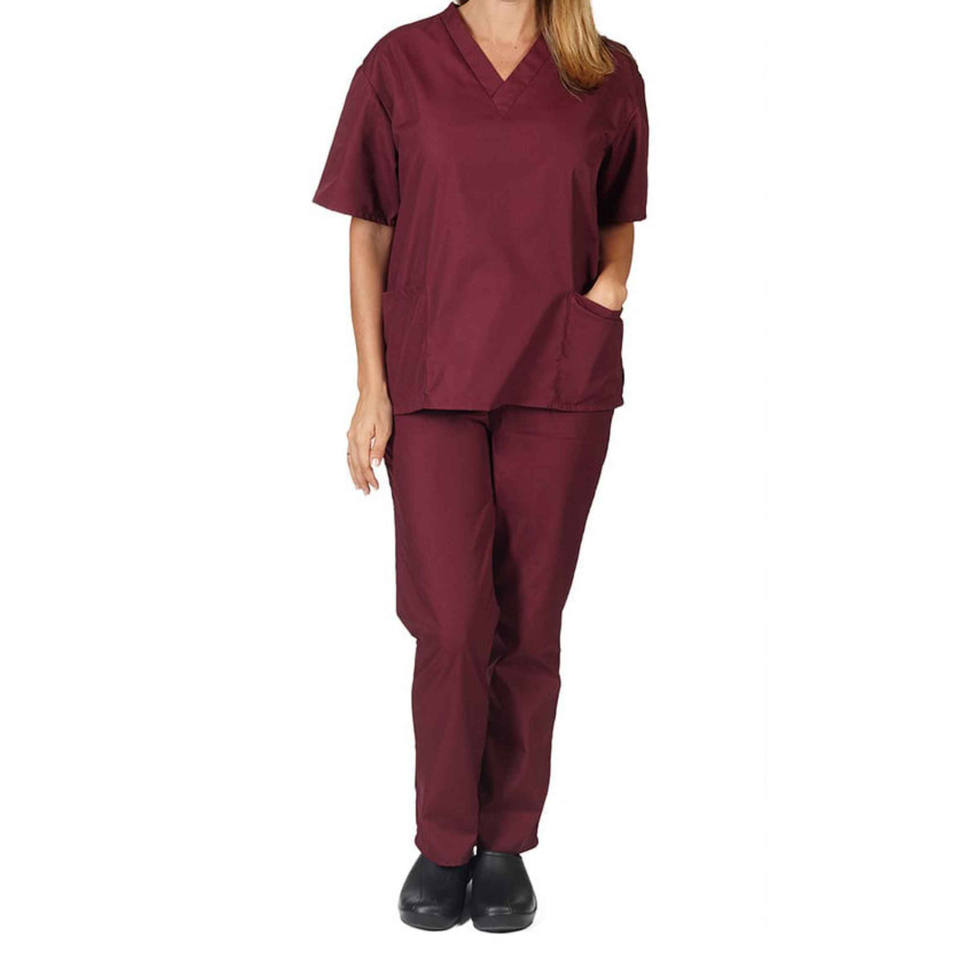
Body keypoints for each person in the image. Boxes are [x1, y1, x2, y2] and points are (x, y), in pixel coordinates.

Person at [313, 0, 647, 933]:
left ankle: (506, 841)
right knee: (453, 620)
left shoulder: (602, 69)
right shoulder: (401, 64)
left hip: (559, 373)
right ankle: (443, 839)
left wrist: (610, 289)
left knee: (530, 617)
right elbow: (368, 230)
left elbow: (618, 214)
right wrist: (372, 388)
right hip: (433, 377)